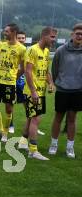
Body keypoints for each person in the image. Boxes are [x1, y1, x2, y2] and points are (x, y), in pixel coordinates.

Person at [18, 27, 57, 160]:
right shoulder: (32, 50)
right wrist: (33, 91)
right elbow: (28, 72)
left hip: (41, 91)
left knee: (31, 118)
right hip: (32, 92)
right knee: (36, 119)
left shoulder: (46, 51)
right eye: (52, 37)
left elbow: (46, 70)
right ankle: (33, 151)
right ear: (44, 36)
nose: (54, 39)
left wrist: (50, 83)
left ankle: (23, 142)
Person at [49, 23, 82, 158]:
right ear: (72, 34)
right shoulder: (61, 50)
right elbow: (54, 69)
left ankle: (70, 147)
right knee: (58, 117)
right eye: (78, 33)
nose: (80, 36)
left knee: (72, 119)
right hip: (62, 90)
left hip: (78, 90)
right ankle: (54, 144)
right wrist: (58, 83)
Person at [0, 23, 26, 142]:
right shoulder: (1, 45)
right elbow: (0, 61)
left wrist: (15, 77)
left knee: (9, 109)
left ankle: (5, 132)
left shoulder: (22, 49)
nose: (4, 33)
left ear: (13, 32)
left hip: (10, 83)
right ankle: (0, 129)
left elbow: (23, 67)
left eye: (6, 31)